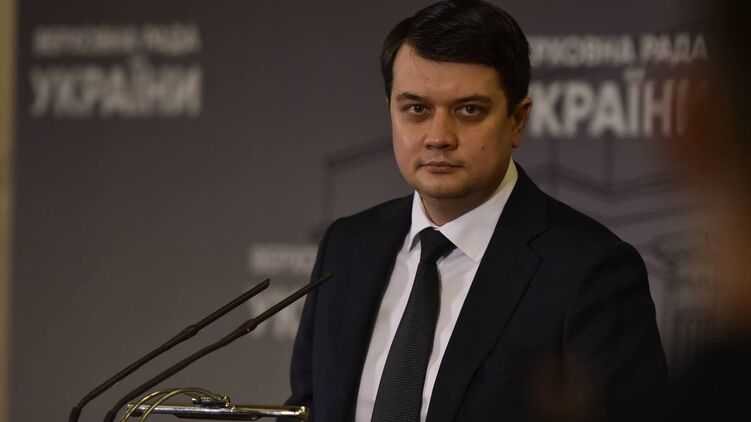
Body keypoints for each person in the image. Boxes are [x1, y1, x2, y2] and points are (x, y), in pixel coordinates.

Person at [286, 1, 668, 421]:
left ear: (517, 120)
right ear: (391, 110)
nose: (438, 137)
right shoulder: (347, 247)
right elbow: (307, 407)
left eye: (468, 110)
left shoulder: (589, 272)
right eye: (416, 109)